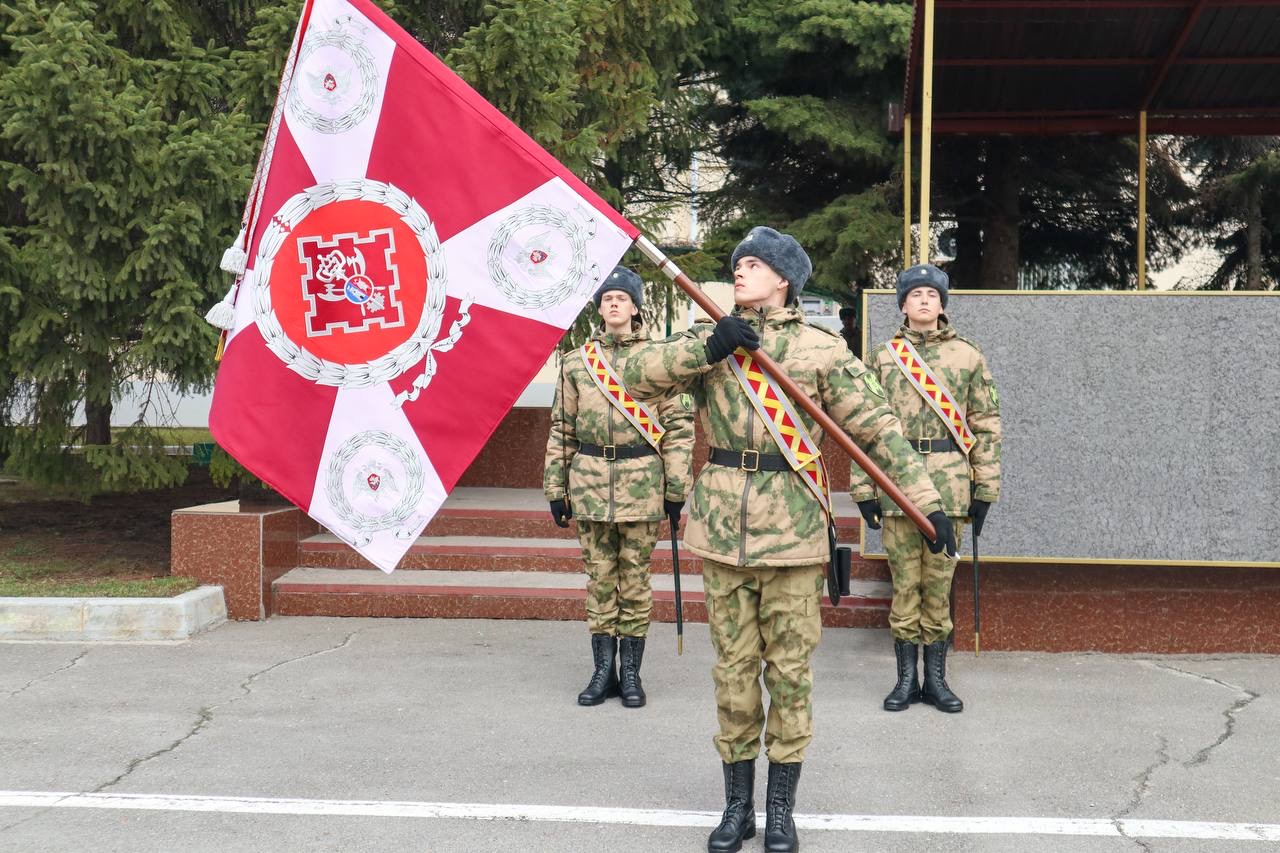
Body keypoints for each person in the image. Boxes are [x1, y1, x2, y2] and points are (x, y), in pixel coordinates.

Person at [624, 227, 953, 853]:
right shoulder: (711, 337)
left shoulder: (821, 350)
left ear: (783, 280)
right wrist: (709, 349)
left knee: (792, 675)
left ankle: (780, 809)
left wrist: (928, 503)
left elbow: (879, 430)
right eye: (736, 265)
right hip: (723, 533)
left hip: (796, 535)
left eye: (752, 265)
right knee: (733, 673)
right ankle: (735, 808)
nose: (739, 273)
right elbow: (637, 373)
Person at [850, 263, 1002, 715]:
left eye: (931, 295)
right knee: (904, 586)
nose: (922, 300)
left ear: (942, 304)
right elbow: (861, 424)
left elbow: (987, 425)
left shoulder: (969, 356)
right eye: (914, 294)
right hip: (897, 487)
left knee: (938, 587)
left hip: (951, 487)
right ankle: (904, 681)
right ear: (902, 304)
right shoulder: (881, 356)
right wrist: (863, 488)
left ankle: (935, 681)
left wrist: (986, 487)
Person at [543, 266, 694, 709]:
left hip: (642, 485)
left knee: (635, 582)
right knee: (599, 581)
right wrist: (556, 486)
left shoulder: (660, 359)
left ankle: (630, 674)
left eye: (621, 297)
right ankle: (600, 671)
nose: (613, 303)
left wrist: (676, 486)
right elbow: (562, 428)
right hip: (589, 483)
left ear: (635, 306)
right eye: (607, 297)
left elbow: (679, 427)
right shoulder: (577, 362)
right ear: (599, 308)